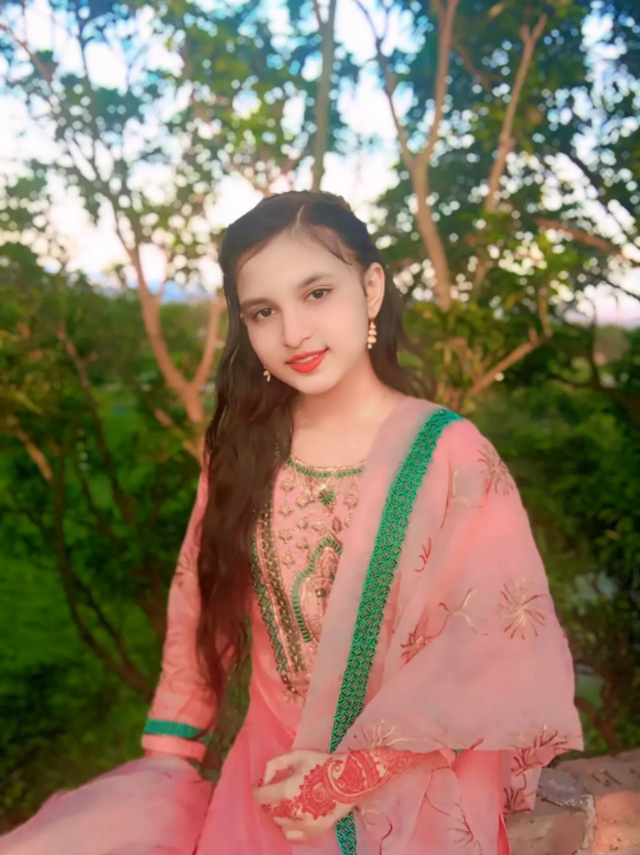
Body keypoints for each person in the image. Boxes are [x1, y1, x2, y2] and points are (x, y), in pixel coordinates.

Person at [0, 190, 583, 855]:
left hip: (412, 795)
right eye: (264, 311)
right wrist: (170, 757)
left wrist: (345, 779)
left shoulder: (449, 453)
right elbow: (199, 601)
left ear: (370, 288)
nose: (294, 333)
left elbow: (492, 651)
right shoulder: (242, 452)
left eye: (316, 293)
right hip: (267, 788)